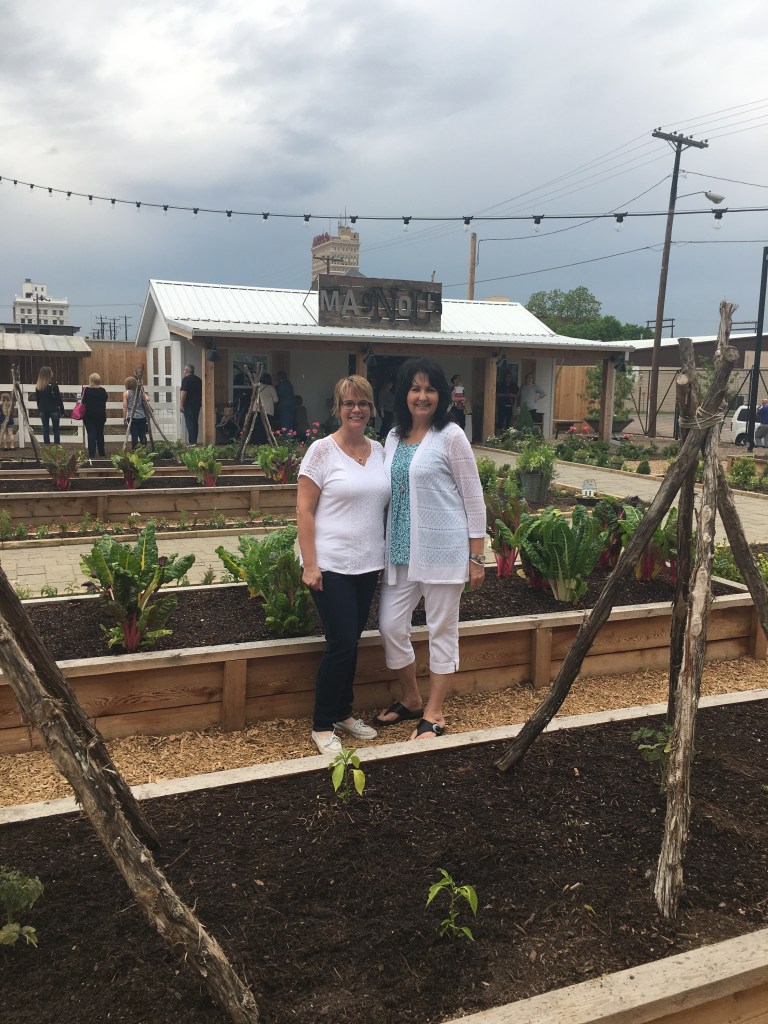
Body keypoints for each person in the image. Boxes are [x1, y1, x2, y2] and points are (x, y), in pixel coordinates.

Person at [374, 357, 486, 740]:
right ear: (403, 394)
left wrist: (476, 556)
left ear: (441, 395)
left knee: (441, 629)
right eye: (415, 388)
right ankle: (411, 699)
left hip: (443, 549)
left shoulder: (451, 436)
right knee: (390, 626)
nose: (422, 396)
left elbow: (473, 497)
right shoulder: (393, 436)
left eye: (430, 389)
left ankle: (435, 713)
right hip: (400, 552)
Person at [297, 374, 390, 759]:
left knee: (352, 640)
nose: (357, 409)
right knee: (340, 643)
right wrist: (311, 564)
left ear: (371, 408)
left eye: (363, 403)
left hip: (367, 564)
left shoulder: (379, 450)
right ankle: (322, 725)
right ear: (337, 408)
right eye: (349, 403)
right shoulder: (321, 451)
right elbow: (304, 510)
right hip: (330, 564)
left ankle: (343, 712)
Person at [33, 366, 65, 445]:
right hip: (53, 409)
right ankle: (57, 447)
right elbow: (58, 399)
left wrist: (39, 409)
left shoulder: (38, 387)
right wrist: (62, 410)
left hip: (43, 410)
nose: (52, 373)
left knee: (45, 429)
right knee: (56, 430)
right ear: (48, 374)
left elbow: (38, 400)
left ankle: (46, 446)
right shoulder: (54, 385)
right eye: (51, 372)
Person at [81, 372, 109, 457]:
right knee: (100, 433)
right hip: (100, 415)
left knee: (91, 433)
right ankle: (101, 452)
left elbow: (83, 401)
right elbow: (105, 399)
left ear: (91, 380)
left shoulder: (86, 390)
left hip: (89, 415)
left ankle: (92, 452)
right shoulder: (102, 391)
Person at [252, 372, 278, 444]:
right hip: (267, 410)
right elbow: (276, 400)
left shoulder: (258, 386)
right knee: (265, 427)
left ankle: (255, 442)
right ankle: (264, 442)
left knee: (257, 427)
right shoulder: (271, 388)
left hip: (256, 409)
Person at [123, 376, 148, 450]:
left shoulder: (126, 393)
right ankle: (145, 450)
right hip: (142, 416)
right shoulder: (140, 392)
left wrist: (124, 418)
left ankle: (135, 451)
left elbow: (125, 407)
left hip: (132, 417)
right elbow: (147, 398)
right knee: (142, 435)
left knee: (134, 435)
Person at [180, 364, 203, 445]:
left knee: (190, 423)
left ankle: (192, 442)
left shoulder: (186, 379)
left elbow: (184, 392)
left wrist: (181, 404)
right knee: (195, 423)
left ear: (186, 370)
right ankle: (194, 441)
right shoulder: (199, 380)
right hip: (197, 405)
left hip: (188, 405)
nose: (183, 371)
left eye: (184, 369)